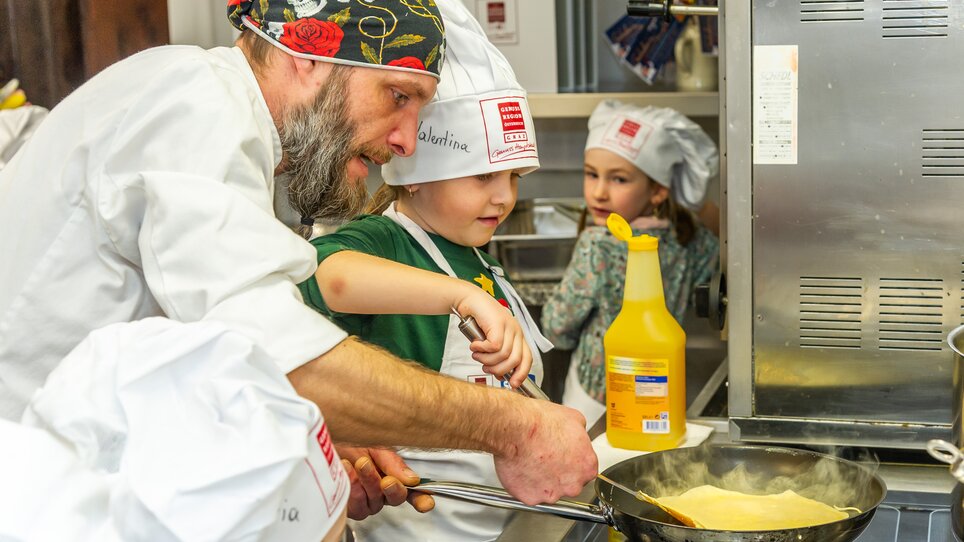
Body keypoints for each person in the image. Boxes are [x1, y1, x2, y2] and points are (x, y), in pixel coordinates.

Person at [0, 0, 596, 533]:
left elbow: (207, 358)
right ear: (310, 54)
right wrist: (515, 428)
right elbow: (277, 357)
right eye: (397, 96)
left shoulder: (222, 126)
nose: (408, 142)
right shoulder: (191, 99)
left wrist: (336, 433)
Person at [298, 3, 551, 539]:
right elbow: (330, 275)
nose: (504, 197)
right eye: (482, 176)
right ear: (416, 176)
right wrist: (459, 295)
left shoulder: (474, 255)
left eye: (513, 176)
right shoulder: (387, 240)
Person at [542, 100, 720, 428]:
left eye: (619, 179)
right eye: (591, 174)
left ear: (657, 190)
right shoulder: (692, 241)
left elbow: (557, 327)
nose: (598, 192)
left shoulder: (597, 246)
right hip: (662, 390)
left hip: (598, 398)